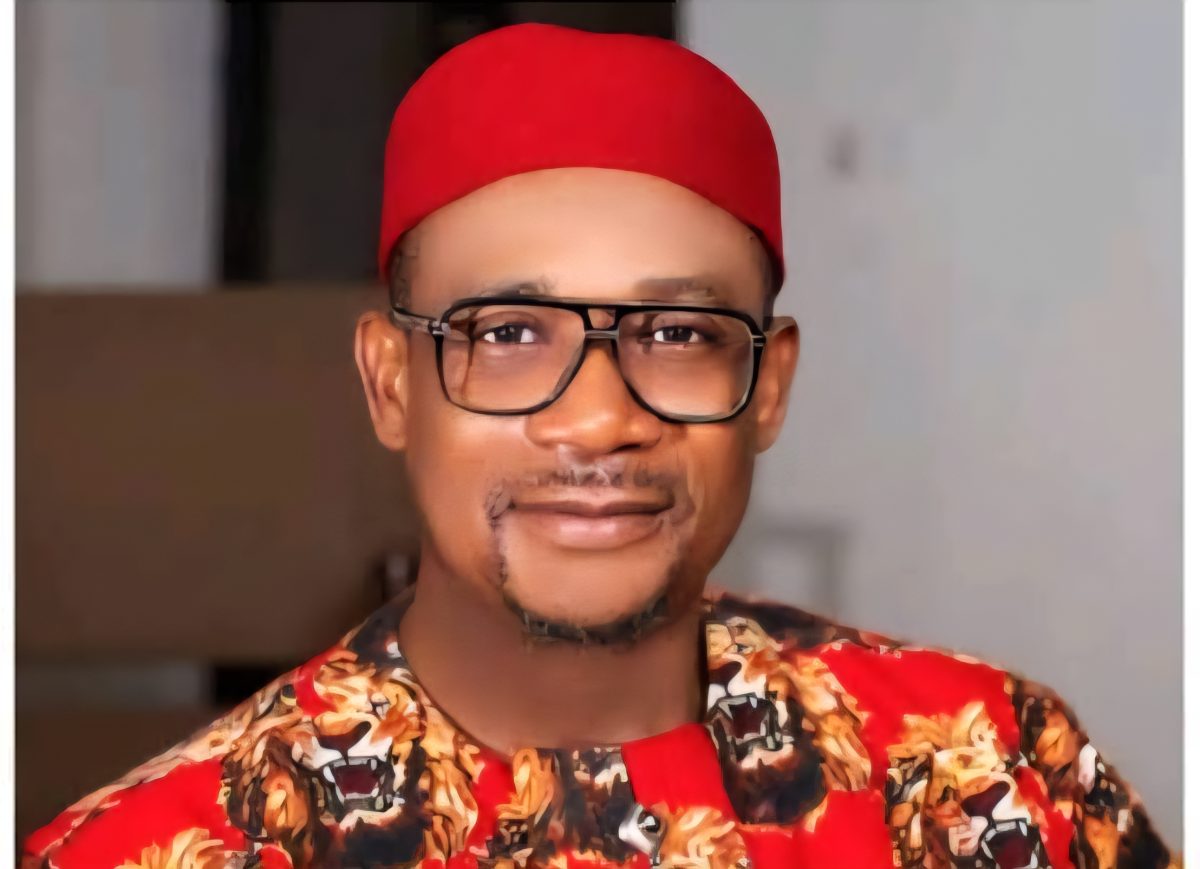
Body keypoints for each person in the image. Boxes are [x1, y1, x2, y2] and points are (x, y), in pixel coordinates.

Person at [23, 22, 1177, 869]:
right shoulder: (168, 846)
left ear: (769, 386)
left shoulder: (985, 768)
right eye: (507, 334)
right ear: (390, 383)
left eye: (677, 334)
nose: (597, 417)